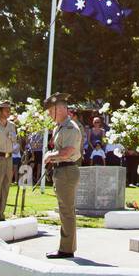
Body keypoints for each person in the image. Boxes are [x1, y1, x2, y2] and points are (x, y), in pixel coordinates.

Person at [43, 92, 83, 258]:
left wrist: (50, 156)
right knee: (64, 210)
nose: (48, 114)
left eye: (50, 110)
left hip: (67, 170)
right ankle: (66, 247)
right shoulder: (59, 127)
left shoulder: (70, 128)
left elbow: (68, 152)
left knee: (66, 211)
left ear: (59, 109)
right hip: (61, 170)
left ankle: (66, 249)